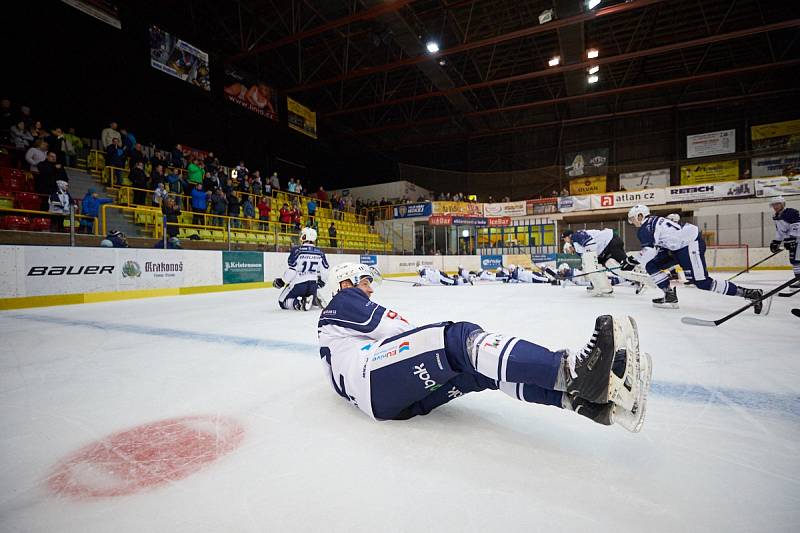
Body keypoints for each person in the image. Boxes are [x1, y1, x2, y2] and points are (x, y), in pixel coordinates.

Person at [318, 263, 651, 432]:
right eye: (365, 282)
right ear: (344, 284)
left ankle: (582, 401)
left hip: (385, 399)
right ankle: (574, 373)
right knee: (458, 340)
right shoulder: (342, 300)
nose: (370, 290)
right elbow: (398, 328)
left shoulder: (334, 334)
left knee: (482, 371)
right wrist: (438, 342)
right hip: (374, 377)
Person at [622, 204, 764, 310]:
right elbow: (656, 249)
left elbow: (649, 251)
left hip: (689, 244)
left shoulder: (645, 227)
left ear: (640, 216)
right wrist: (636, 260)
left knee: (702, 282)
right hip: (678, 247)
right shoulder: (654, 221)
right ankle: (668, 294)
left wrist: (632, 261)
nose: (632, 223)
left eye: (633, 219)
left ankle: (750, 293)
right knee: (651, 265)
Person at [562, 228, 652, 296]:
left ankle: (643, 275)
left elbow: (592, 245)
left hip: (611, 242)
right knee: (619, 270)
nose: (569, 253)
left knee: (625, 264)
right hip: (605, 249)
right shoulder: (578, 248)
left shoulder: (576, 236)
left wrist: (592, 265)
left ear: (568, 237)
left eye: (567, 250)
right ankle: (603, 287)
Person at [273, 227, 329, 310]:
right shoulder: (320, 253)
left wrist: (282, 281)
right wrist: (322, 282)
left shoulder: (297, 251)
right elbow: (325, 270)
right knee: (310, 291)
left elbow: (292, 270)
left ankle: (300, 304)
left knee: (283, 301)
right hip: (313, 285)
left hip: (299, 284)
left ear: (304, 237)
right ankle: (315, 299)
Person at [768, 196, 800, 286]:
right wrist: (776, 242)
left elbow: (797, 225)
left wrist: (792, 238)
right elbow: (780, 231)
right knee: (794, 260)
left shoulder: (791, 212)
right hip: (793, 240)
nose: (775, 206)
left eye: (778, 204)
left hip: (798, 239)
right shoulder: (776, 216)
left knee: (796, 260)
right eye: (774, 205)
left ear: (783, 204)